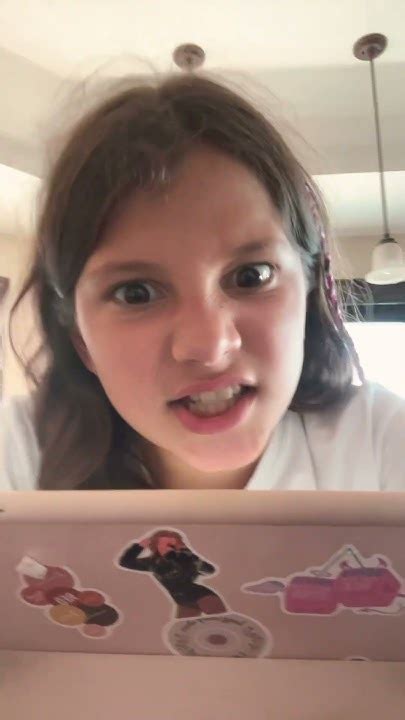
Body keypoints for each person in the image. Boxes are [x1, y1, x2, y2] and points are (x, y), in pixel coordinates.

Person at [1, 74, 404, 491]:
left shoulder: (380, 442)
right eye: (136, 294)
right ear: (80, 340)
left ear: (308, 287)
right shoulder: (20, 453)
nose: (209, 347)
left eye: (251, 277)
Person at [118, 529, 227, 619]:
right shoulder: (153, 563)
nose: (168, 547)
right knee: (183, 630)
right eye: (164, 544)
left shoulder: (185, 558)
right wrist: (139, 546)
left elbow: (209, 570)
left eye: (172, 544)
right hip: (182, 601)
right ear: (155, 545)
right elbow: (125, 562)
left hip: (202, 596)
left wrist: (185, 551)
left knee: (223, 622)